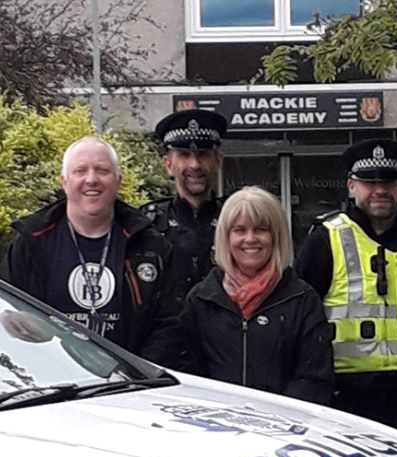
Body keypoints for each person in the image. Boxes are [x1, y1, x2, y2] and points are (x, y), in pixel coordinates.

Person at [295, 139, 397, 457]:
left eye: (388, 182)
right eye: (370, 182)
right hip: (351, 405)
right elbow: (299, 324)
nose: (380, 190)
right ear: (352, 187)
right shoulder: (325, 239)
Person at [0, 136, 182, 367]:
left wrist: (135, 373)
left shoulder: (150, 245)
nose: (91, 179)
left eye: (102, 170)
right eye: (80, 170)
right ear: (64, 181)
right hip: (52, 383)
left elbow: (169, 324)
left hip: (132, 388)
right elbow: (11, 320)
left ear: (118, 181)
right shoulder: (31, 243)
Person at [179, 186, 334, 405]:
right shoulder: (201, 300)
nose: (250, 239)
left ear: (276, 235)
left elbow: (314, 378)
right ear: (226, 236)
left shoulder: (303, 300)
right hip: (216, 426)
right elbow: (188, 375)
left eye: (261, 229)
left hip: (285, 428)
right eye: (239, 230)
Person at [141, 109, 228, 299]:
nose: (195, 164)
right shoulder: (148, 225)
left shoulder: (236, 220)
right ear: (168, 165)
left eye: (203, 154)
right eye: (184, 155)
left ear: (218, 162)